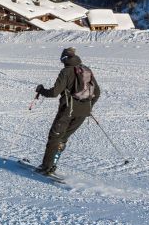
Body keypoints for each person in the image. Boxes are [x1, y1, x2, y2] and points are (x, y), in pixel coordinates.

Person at [34, 47, 100, 175]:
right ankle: (52, 164)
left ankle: (46, 167)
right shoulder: (86, 69)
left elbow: (54, 93)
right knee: (63, 138)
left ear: (64, 59)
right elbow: (96, 92)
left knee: (55, 137)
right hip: (84, 111)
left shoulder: (66, 71)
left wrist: (41, 90)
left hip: (68, 110)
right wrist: (88, 107)